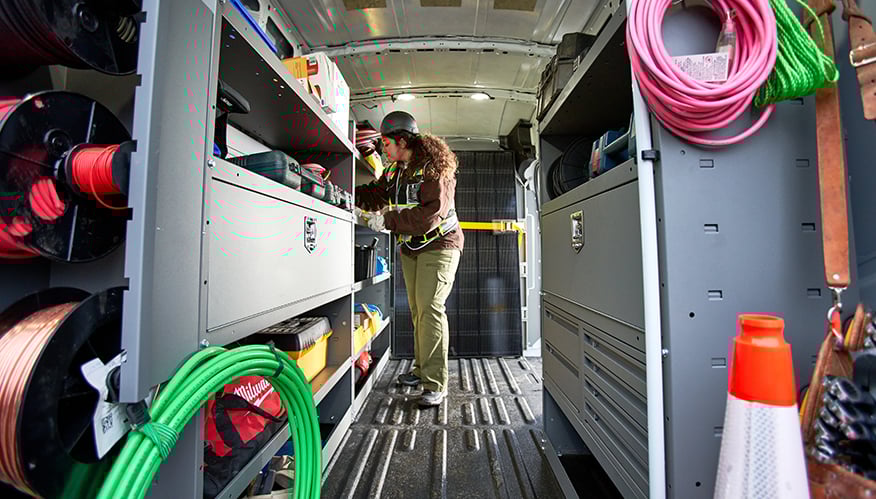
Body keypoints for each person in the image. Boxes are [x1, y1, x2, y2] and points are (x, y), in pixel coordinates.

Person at [355, 111, 463, 407]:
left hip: (439, 244)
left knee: (430, 310)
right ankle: (420, 369)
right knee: (418, 312)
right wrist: (346, 192)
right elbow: (376, 194)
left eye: (386, 143)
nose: (383, 149)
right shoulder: (394, 171)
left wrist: (385, 221)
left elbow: (429, 217)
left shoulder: (433, 168)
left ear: (402, 141)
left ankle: (435, 383)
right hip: (411, 247)